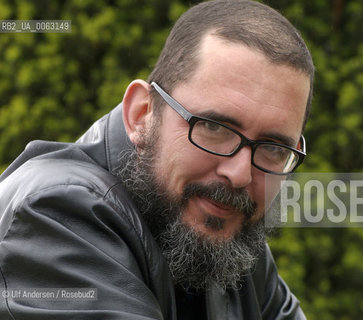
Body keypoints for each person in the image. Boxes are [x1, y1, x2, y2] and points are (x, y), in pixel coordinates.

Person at [0, 0, 314, 319]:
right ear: (141, 115)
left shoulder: (231, 236)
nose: (240, 175)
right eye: (213, 127)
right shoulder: (57, 214)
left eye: (273, 148)